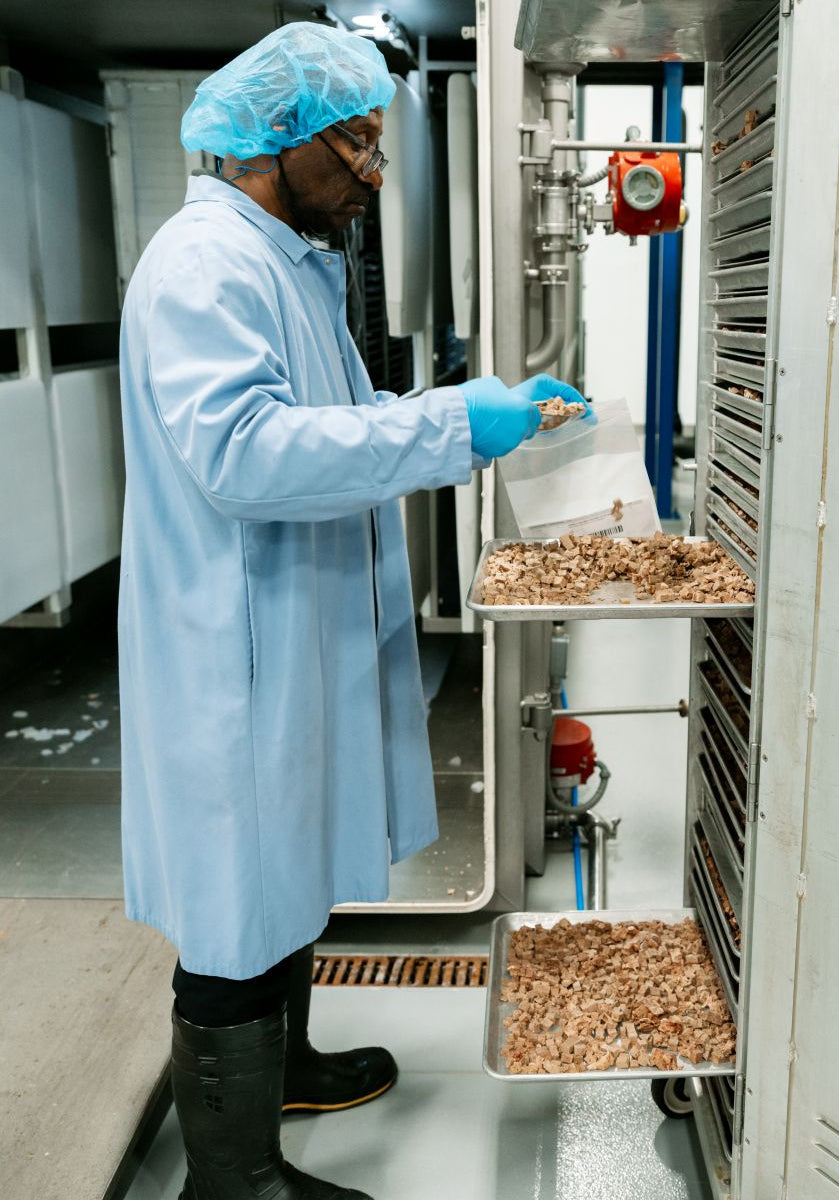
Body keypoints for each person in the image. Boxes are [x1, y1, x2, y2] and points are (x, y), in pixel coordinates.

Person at [117, 21, 585, 1200]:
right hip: (235, 653)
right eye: (359, 147)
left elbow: (332, 415)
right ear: (274, 143)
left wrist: (473, 408)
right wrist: (446, 428)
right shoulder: (204, 266)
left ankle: (290, 1068)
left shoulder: (283, 259)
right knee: (235, 907)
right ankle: (231, 1179)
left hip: (290, 636)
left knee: (288, 868)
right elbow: (244, 452)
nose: (376, 177)